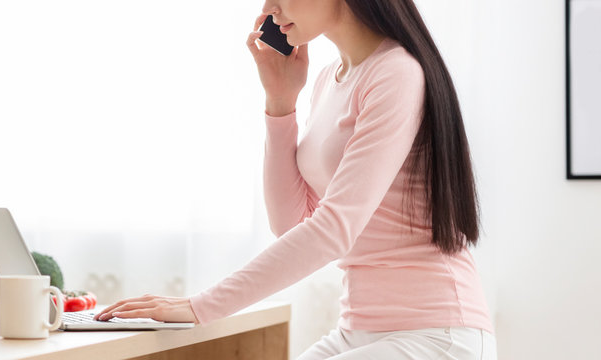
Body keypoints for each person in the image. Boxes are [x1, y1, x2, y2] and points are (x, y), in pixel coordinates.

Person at [94, 0, 497, 358]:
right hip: (357, 332)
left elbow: (333, 230)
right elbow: (290, 225)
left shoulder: (396, 73)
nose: (270, 8)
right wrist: (281, 103)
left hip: (435, 335)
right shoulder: (328, 81)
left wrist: (201, 306)